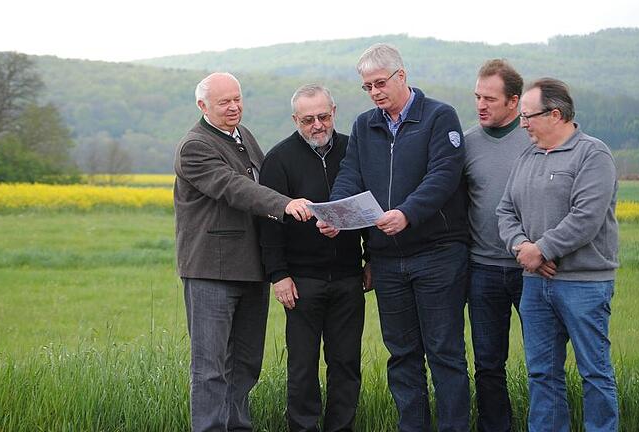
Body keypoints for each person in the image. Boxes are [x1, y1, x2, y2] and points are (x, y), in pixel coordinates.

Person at [318, 43, 470, 432]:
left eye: (380, 83)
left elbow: (444, 175)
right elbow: (350, 174)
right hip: (386, 260)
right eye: (367, 86)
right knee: (402, 355)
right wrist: (336, 213)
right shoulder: (364, 124)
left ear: (401, 76)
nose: (374, 92)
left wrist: (408, 213)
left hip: (437, 253)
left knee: (445, 353)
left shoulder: (439, 116)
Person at [173, 72, 311, 432]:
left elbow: (263, 179)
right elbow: (235, 188)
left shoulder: (243, 136)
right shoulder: (195, 146)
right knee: (210, 367)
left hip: (251, 269)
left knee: (246, 363)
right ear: (203, 106)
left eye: (237, 99)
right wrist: (285, 204)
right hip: (211, 272)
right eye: (224, 102)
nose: (234, 107)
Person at [497, 78, 619, 432]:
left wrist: (543, 249)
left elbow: (586, 217)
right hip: (536, 284)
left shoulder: (593, 154)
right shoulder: (528, 155)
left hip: (584, 284)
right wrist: (523, 248)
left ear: (555, 114)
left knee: (594, 372)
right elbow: (505, 211)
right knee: (542, 373)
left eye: (528, 116)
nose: (522, 124)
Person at [259, 84, 370, 432]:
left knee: (346, 364)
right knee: (303, 367)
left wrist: (375, 260)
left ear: (334, 111)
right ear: (296, 120)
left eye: (323, 116)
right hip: (302, 281)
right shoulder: (279, 159)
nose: (317, 125)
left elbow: (371, 206)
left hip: (350, 277)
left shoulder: (356, 150)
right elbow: (269, 225)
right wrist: (278, 275)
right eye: (308, 120)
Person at [463, 59, 530, 432]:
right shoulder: (468, 142)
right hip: (483, 269)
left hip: (532, 270)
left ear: (514, 101)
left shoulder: (534, 139)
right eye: (477, 97)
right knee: (488, 363)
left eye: (490, 98)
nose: (481, 105)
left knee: (543, 360)